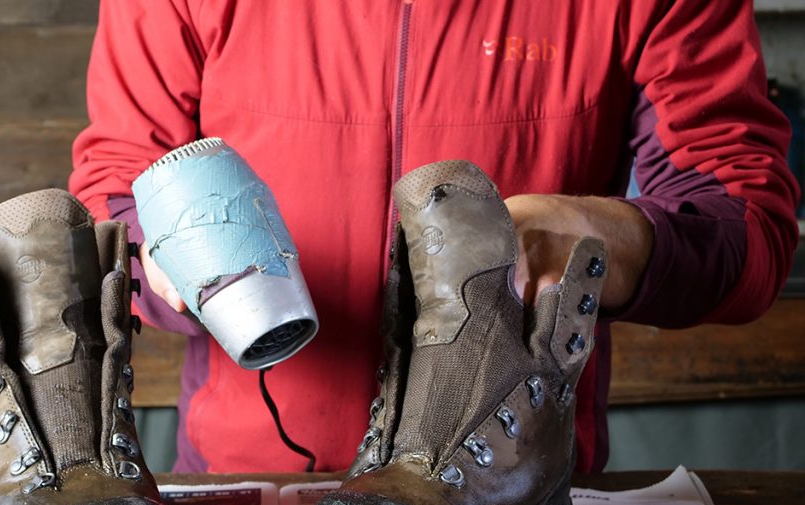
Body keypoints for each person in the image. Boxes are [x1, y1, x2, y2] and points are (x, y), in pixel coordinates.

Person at [70, 1, 799, 474]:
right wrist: (172, 263)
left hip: (509, 488)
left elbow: (746, 226)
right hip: (248, 485)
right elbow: (115, 189)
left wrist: (605, 239)